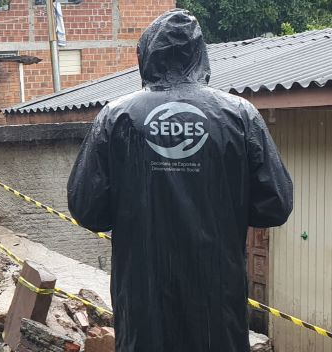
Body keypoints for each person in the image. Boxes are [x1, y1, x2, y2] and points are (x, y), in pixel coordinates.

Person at [67, 9, 293, 352]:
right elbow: (275, 205)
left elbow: (87, 208)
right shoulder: (239, 116)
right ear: (200, 56)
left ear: (146, 56)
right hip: (217, 306)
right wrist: (222, 204)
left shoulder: (117, 117)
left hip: (144, 304)